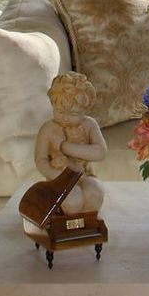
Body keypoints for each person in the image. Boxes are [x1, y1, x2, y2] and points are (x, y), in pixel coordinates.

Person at [34, 72, 108, 216]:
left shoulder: (89, 125)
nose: (65, 118)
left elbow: (101, 152)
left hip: (85, 176)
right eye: (60, 111)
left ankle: (85, 223)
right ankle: (70, 223)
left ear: (84, 109)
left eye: (73, 114)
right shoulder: (48, 129)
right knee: (72, 200)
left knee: (95, 193)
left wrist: (67, 147)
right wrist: (55, 175)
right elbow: (40, 160)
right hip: (58, 179)